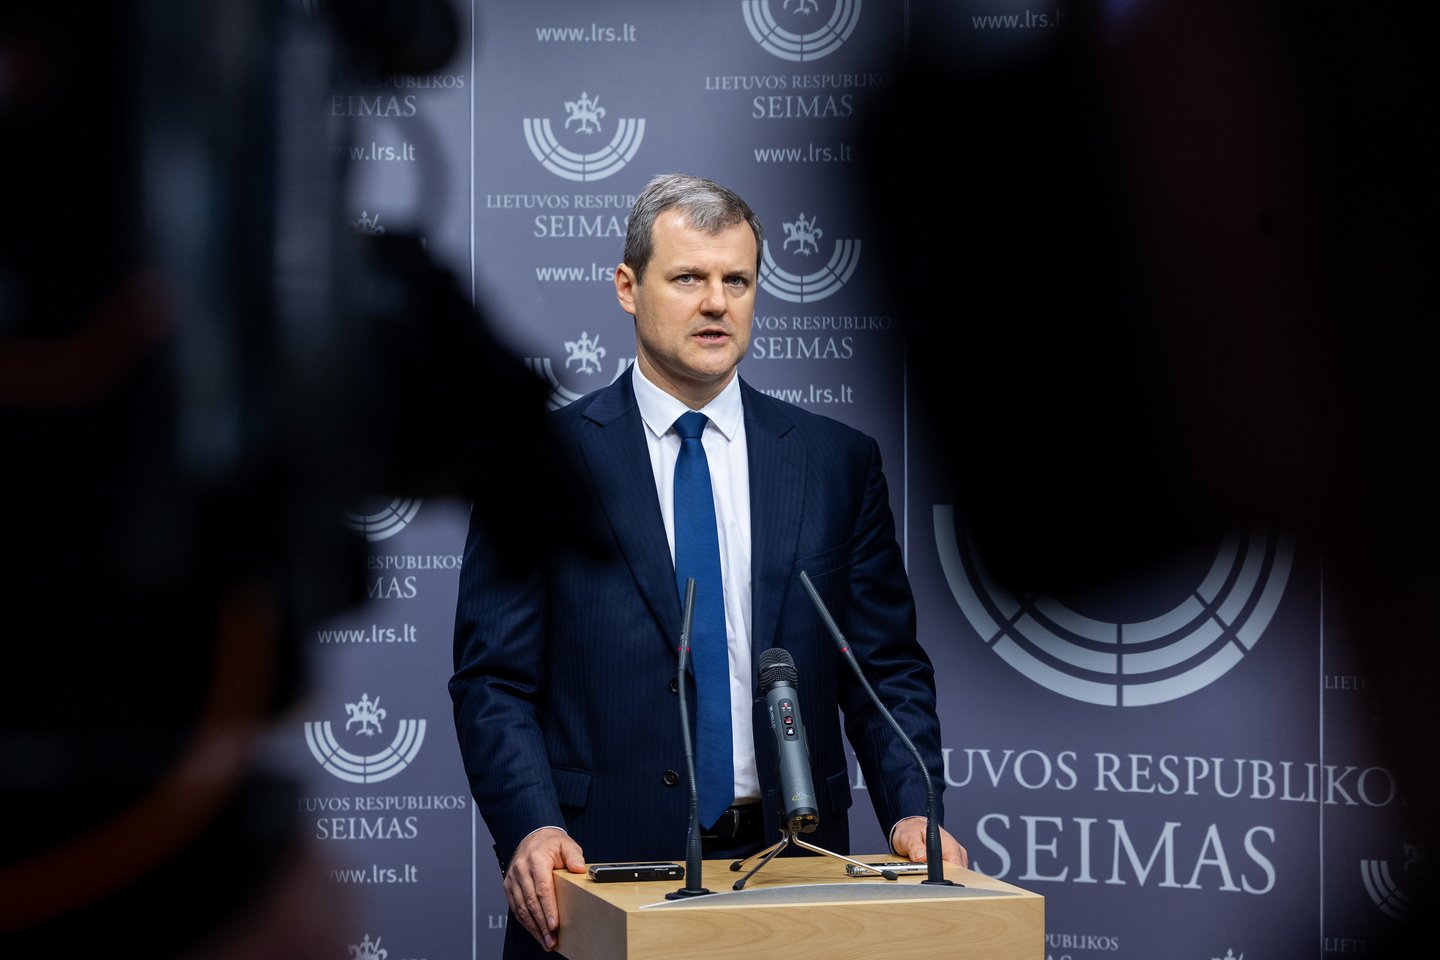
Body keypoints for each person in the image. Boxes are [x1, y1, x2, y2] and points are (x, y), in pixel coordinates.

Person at [449, 172, 966, 958]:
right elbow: (494, 681)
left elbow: (884, 669)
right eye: (689, 278)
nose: (717, 303)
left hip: (796, 868)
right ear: (628, 288)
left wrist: (912, 807)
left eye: (738, 281)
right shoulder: (536, 464)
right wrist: (532, 825)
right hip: (596, 871)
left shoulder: (835, 462)